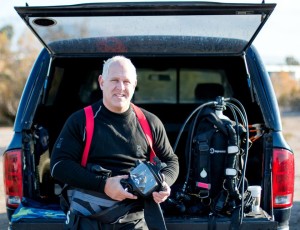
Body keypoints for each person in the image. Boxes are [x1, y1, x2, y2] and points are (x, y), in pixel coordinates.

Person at [50, 55, 179, 229]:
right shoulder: (80, 121)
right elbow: (58, 166)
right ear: (102, 82)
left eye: (127, 82)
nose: (121, 87)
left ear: (134, 85)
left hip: (135, 218)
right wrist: (103, 185)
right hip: (89, 216)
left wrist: (164, 182)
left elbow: (171, 161)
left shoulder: (150, 122)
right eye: (115, 80)